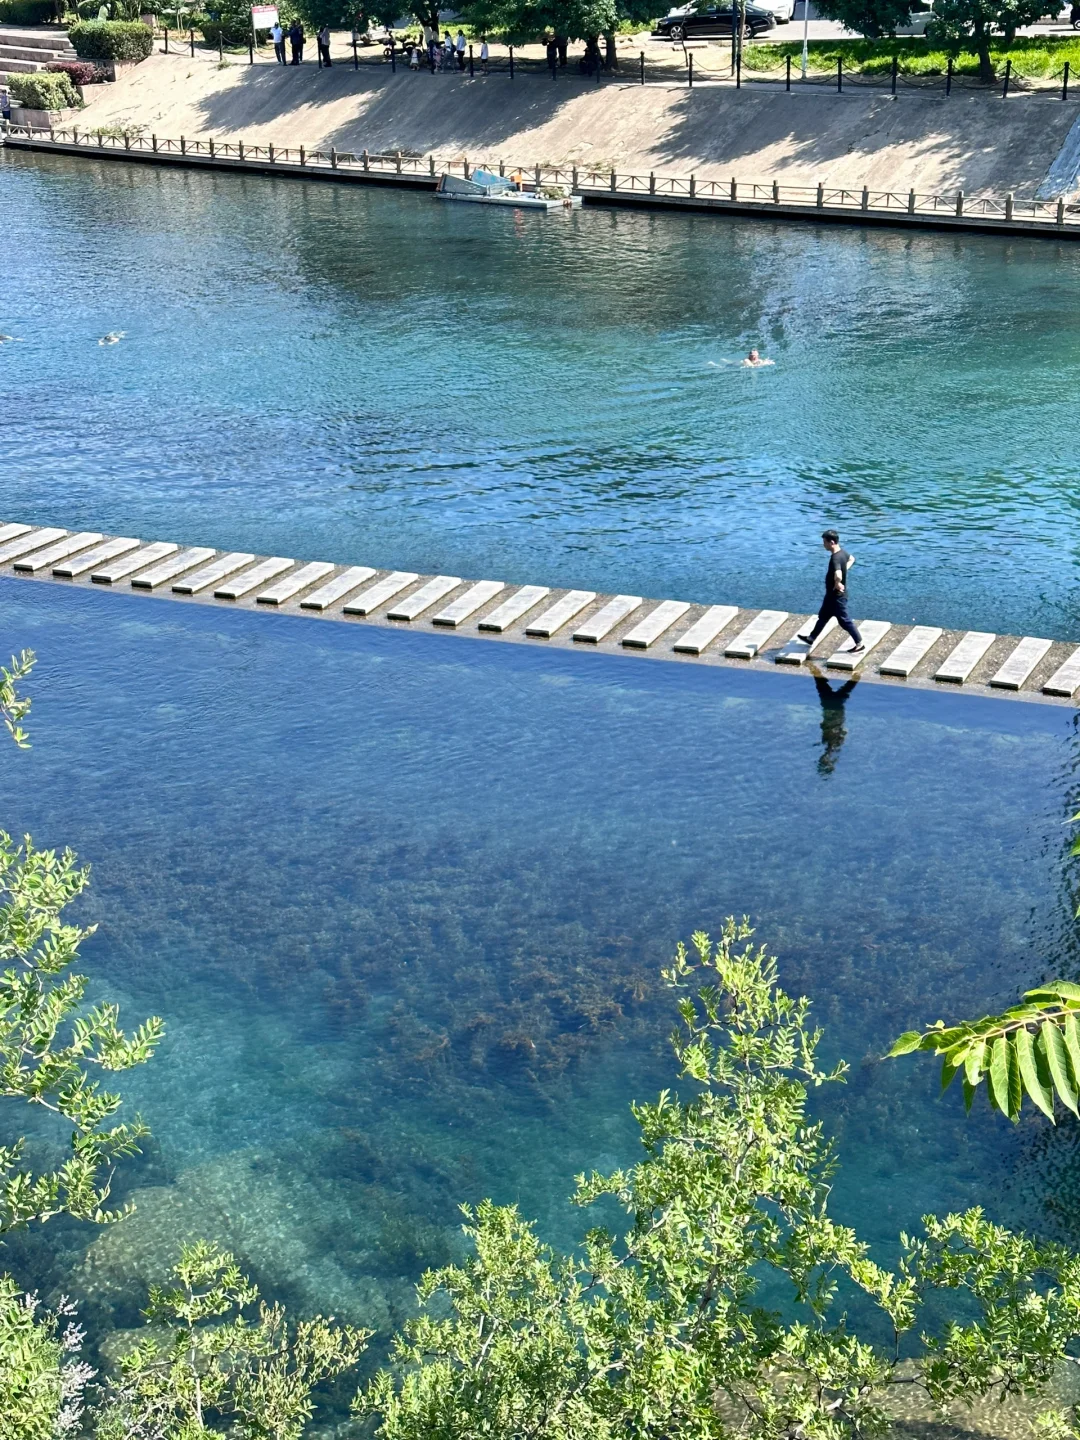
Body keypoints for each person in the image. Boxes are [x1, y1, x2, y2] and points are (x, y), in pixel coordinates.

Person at [797, 530, 864, 653]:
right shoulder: (842, 553)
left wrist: (838, 582)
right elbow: (852, 559)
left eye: (824, 542)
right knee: (823, 616)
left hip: (837, 596)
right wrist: (845, 570)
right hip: (831, 596)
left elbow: (838, 574)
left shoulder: (835, 558)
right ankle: (811, 638)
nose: (823, 545)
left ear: (831, 542)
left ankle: (859, 644)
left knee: (844, 620)